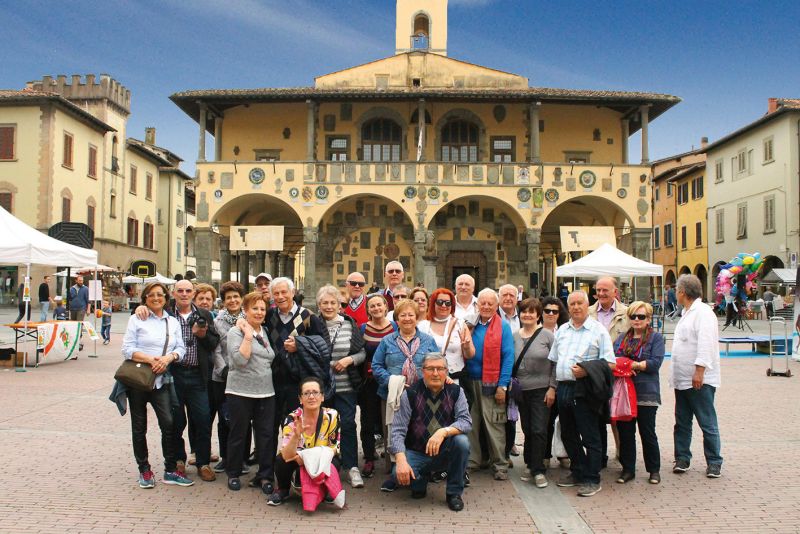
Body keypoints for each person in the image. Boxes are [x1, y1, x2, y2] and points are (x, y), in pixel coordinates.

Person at [137, 280, 220, 482]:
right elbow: (145, 311)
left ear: (193, 293)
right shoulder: (165, 312)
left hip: (198, 375)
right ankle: (178, 460)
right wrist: (139, 307)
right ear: (173, 293)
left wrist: (202, 335)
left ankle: (203, 462)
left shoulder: (204, 314)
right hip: (173, 374)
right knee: (175, 421)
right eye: (180, 290)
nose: (184, 294)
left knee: (202, 419)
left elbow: (213, 343)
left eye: (188, 291)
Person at [120, 282, 192, 488]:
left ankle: (170, 470)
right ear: (145, 298)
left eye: (160, 294)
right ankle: (144, 469)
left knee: (169, 424)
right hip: (139, 379)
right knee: (139, 427)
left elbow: (181, 348)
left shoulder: (172, 322)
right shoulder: (137, 318)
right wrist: (151, 360)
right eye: (151, 295)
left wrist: (168, 358)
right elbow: (127, 349)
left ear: (166, 298)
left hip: (161, 381)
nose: (156, 298)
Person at [549, 290, 615, 497]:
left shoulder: (598, 331)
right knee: (567, 433)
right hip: (563, 387)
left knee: (589, 435)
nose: (576, 307)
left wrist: (587, 370)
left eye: (580, 303)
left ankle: (592, 478)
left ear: (588, 306)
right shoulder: (562, 330)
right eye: (572, 304)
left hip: (585, 389)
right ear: (568, 307)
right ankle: (578, 470)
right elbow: (554, 361)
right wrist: (552, 387)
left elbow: (610, 363)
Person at [388, 353, 473, 512]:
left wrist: (443, 432)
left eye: (440, 369)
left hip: (444, 451)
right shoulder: (411, 394)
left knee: (462, 442)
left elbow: (466, 421)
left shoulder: (456, 391)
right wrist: (400, 459)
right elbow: (398, 430)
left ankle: (454, 493)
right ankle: (421, 481)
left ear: (446, 371)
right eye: (430, 369)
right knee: (396, 474)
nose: (435, 373)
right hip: (417, 452)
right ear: (422, 371)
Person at [372, 298, 439, 485]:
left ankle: (421, 469)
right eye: (403, 315)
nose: (407, 318)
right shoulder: (387, 341)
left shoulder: (428, 341)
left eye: (411, 315)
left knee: (420, 431)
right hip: (392, 396)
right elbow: (376, 366)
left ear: (417, 318)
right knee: (394, 432)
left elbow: (437, 363)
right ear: (397, 319)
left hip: (422, 396)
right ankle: (394, 470)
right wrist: (394, 382)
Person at [263, 277, 330, 447]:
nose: (280, 296)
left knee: (298, 426)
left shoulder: (308, 316)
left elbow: (321, 348)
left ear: (292, 292)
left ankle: (298, 462)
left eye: (284, 292)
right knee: (269, 428)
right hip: (273, 380)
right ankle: (270, 464)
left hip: (298, 381)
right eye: (276, 293)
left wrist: (299, 346)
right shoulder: (269, 315)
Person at [225, 291, 277, 494]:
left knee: (266, 435)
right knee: (238, 433)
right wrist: (248, 336)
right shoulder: (235, 332)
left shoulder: (265, 331)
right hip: (240, 391)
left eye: (262, 309)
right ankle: (234, 473)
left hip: (266, 392)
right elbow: (239, 360)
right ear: (245, 310)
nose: (259, 312)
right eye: (254, 308)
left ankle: (265, 475)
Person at [671, 274, 723, 478]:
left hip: (698, 379)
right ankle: (682, 457)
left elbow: (706, 343)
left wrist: (699, 371)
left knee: (706, 421)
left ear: (682, 292)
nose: (675, 294)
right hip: (682, 379)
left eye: (677, 290)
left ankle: (714, 461)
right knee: (682, 421)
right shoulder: (687, 312)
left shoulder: (703, 313)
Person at [316, 285, 367, 488]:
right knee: (324, 427)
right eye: (325, 303)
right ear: (319, 305)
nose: (329, 306)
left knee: (347, 425)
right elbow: (306, 351)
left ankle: (351, 467)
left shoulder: (350, 324)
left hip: (346, 387)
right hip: (321, 388)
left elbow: (362, 352)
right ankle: (326, 468)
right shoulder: (313, 325)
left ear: (339, 305)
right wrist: (328, 364)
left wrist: (349, 360)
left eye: (333, 302)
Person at [464, 288, 515, 482]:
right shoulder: (470, 324)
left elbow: (508, 357)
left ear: (496, 305)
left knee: (495, 424)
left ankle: (500, 464)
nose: (486, 306)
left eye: (490, 303)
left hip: (492, 384)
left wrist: (502, 386)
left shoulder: (503, 327)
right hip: (469, 382)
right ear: (477, 305)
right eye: (482, 303)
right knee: (471, 424)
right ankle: (473, 461)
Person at [268, 377, 342, 507]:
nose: (311, 397)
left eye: (315, 392)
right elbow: (286, 454)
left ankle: (326, 489)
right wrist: (296, 436)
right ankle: (282, 489)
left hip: (320, 459)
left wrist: (310, 457)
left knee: (335, 461)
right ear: (300, 399)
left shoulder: (332, 415)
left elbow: (334, 447)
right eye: (306, 393)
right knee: (281, 460)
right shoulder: (292, 418)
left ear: (322, 397)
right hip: (297, 459)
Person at [612, 301, 664, 485]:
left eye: (641, 316)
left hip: (646, 393)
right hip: (625, 393)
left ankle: (654, 470)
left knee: (647, 432)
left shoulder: (655, 338)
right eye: (633, 316)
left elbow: (655, 363)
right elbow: (613, 359)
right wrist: (631, 365)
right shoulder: (622, 338)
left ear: (648, 319)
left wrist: (632, 365)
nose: (636, 320)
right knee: (626, 433)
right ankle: (628, 469)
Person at [514, 298, 556, 488]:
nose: (527, 315)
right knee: (528, 429)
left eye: (532, 312)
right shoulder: (514, 336)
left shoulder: (547, 336)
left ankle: (539, 470)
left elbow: (556, 363)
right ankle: (530, 464)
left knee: (539, 429)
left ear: (538, 315)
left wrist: (552, 387)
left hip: (542, 389)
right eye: (524, 311)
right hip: (521, 390)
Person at [588, 276, 628, 468]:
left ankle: (622, 453)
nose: (601, 293)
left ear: (615, 292)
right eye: (598, 290)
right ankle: (599, 456)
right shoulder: (587, 313)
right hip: (594, 374)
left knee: (618, 417)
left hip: (618, 374)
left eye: (605, 290)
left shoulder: (627, 314)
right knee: (595, 417)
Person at [358, 294, 396, 478]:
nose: (376, 308)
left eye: (379, 305)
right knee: (368, 419)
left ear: (386, 307)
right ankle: (369, 457)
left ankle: (392, 456)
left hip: (391, 381)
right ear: (368, 310)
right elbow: (359, 352)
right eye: (372, 306)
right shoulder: (362, 328)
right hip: (370, 381)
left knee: (389, 420)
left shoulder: (395, 327)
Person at [211, 281, 245, 475]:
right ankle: (225, 457)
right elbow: (215, 348)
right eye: (228, 298)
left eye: (236, 297)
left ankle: (242, 458)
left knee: (243, 418)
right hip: (222, 376)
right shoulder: (217, 321)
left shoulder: (249, 318)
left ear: (241, 299)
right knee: (224, 419)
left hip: (243, 375)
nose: (232, 300)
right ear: (223, 301)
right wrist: (222, 368)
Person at [417, 288, 474, 383]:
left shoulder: (460, 324)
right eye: (440, 302)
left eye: (448, 303)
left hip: (455, 380)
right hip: (430, 380)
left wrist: (466, 347)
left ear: (452, 305)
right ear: (433, 304)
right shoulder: (422, 326)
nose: (444, 306)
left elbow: (470, 355)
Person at [540, 296, 570, 470]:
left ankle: (563, 453)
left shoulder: (565, 331)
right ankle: (545, 454)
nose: (551, 314)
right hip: (542, 384)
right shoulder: (535, 330)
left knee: (565, 421)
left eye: (555, 311)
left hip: (563, 382)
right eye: (547, 310)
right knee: (546, 422)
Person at [68, 275, 90, 352]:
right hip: (72, 309)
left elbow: (88, 300)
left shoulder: (85, 289)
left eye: (82, 280)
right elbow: (69, 299)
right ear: (76, 281)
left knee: (79, 324)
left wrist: (88, 309)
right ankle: (74, 340)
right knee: (73, 325)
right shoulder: (71, 289)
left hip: (81, 309)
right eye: (80, 280)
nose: (81, 282)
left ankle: (79, 341)